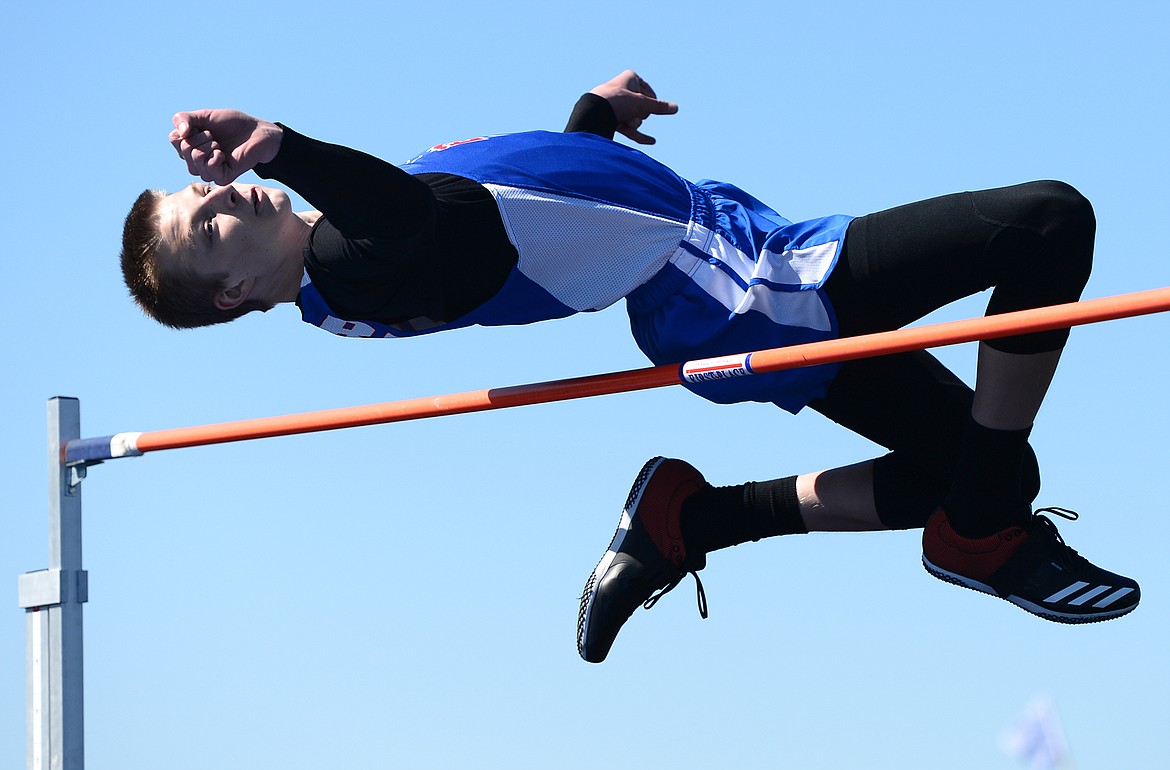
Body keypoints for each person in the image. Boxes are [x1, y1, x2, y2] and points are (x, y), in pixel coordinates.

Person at [121, 70, 1139, 664]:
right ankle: (985, 531)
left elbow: (532, 218)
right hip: (750, 289)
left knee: (971, 459)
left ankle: (691, 520)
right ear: (229, 294)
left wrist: (591, 124)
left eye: (205, 194)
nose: (230, 198)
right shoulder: (353, 265)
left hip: (725, 267)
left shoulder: (361, 252)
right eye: (209, 224)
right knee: (1045, 227)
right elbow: (422, 223)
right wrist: (285, 148)